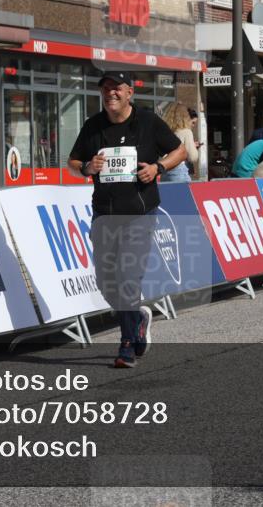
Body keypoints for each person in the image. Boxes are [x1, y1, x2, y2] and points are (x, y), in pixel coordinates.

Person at [67, 71, 186, 368]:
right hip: (105, 215)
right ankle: (138, 319)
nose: (111, 93)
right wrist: (87, 167)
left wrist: (158, 168)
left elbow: (180, 151)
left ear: (129, 92)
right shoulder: (93, 125)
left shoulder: (148, 122)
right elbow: (72, 162)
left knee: (128, 277)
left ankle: (127, 345)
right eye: (106, 88)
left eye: (117, 88)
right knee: (106, 282)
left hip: (139, 214)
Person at [160, 103, 198, 183]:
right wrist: (193, 147)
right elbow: (193, 157)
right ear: (185, 116)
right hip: (179, 171)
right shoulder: (186, 132)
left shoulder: (166, 132)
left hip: (165, 171)